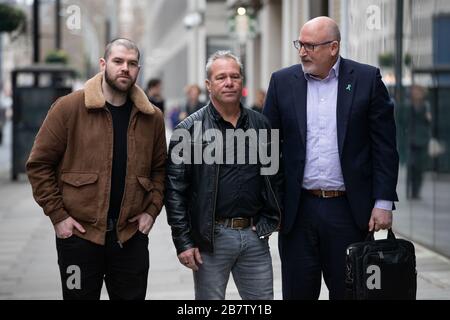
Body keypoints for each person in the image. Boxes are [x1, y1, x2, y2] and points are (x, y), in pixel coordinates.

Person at [263, 16, 399, 300]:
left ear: (333, 47)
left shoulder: (366, 79)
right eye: (300, 44)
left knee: (350, 291)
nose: (302, 52)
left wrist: (383, 202)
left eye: (310, 46)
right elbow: (269, 148)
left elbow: (384, 147)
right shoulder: (282, 81)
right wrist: (271, 204)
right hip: (298, 212)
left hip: (349, 212)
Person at [26, 38, 167, 300]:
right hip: (78, 239)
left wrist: (151, 210)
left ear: (139, 69)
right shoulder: (68, 108)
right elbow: (39, 165)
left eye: (132, 63)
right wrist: (58, 216)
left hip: (130, 239)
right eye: (118, 61)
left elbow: (160, 170)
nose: (125, 68)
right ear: (103, 64)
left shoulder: (152, 117)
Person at [165, 50, 281, 300]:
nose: (229, 82)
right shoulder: (188, 130)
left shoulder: (262, 125)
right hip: (211, 239)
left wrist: (269, 221)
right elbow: (175, 190)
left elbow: (274, 178)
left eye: (235, 76)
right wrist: (184, 242)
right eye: (221, 77)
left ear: (242, 81)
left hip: (254, 238)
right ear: (208, 84)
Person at [406, 85, 432, 200]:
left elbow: (429, 121)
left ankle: (416, 191)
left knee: (419, 168)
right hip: (411, 141)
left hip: (422, 140)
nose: (416, 93)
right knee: (411, 165)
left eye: (418, 91)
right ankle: (411, 190)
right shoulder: (408, 105)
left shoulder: (426, 106)